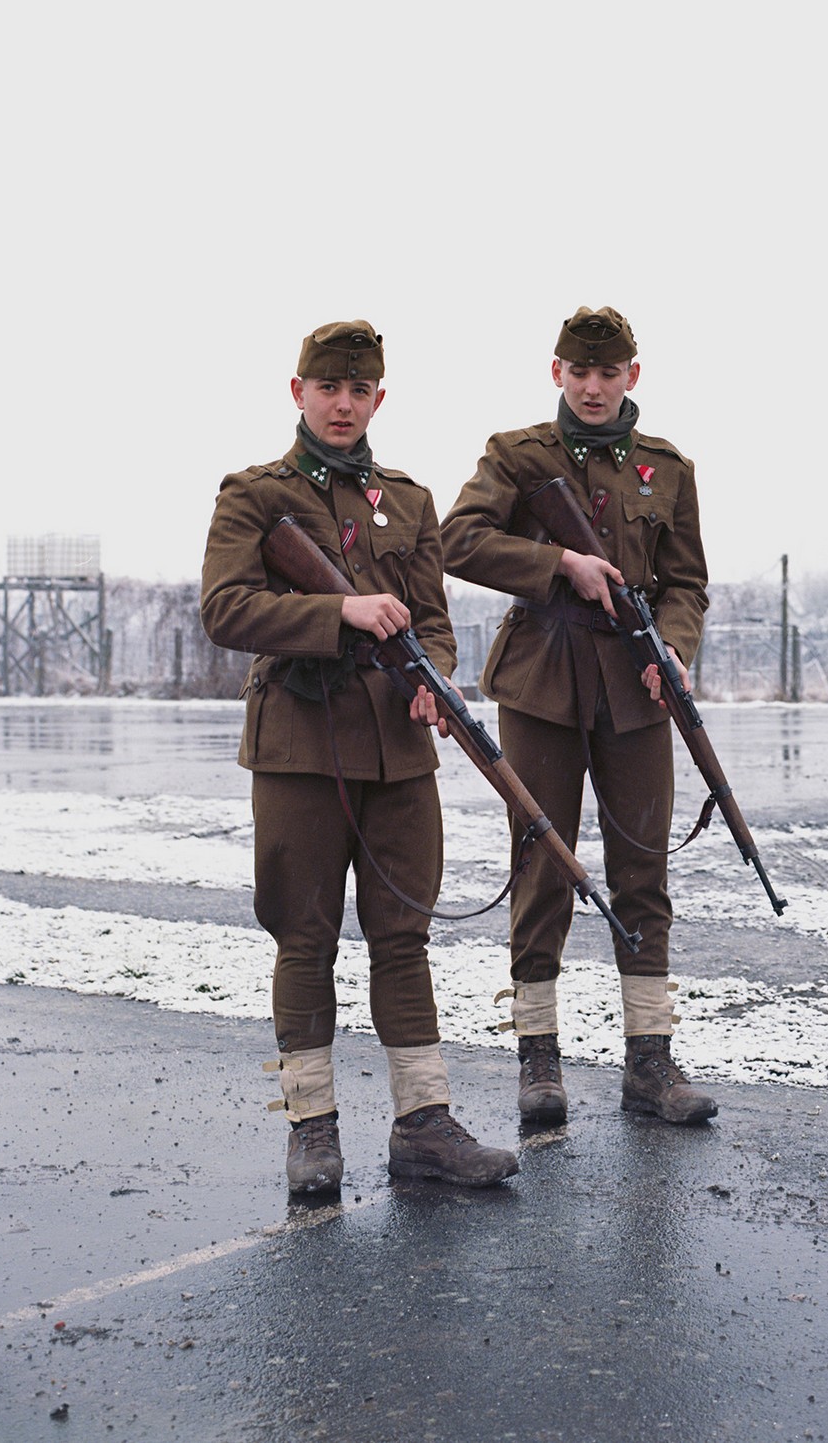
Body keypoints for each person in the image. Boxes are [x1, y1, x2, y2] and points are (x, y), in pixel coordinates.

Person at [200, 319, 518, 1193]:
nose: (343, 405)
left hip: (396, 750)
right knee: (303, 939)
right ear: (296, 392)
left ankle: (422, 1124)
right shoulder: (256, 494)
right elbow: (225, 609)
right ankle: (311, 1131)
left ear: (380, 397)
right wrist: (334, 614)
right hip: (301, 750)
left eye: (359, 390)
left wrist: (436, 682)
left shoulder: (409, 502)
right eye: (327, 388)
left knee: (403, 937)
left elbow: (434, 621)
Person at [440, 306, 717, 1127]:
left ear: (633, 376)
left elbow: (687, 582)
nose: (593, 387)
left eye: (609, 372)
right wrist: (558, 561)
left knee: (643, 874)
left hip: (637, 689)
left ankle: (649, 1062)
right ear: (556, 372)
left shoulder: (668, 468)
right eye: (579, 371)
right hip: (542, 685)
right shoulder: (517, 455)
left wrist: (672, 646)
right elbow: (458, 539)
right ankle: (538, 1061)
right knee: (542, 866)